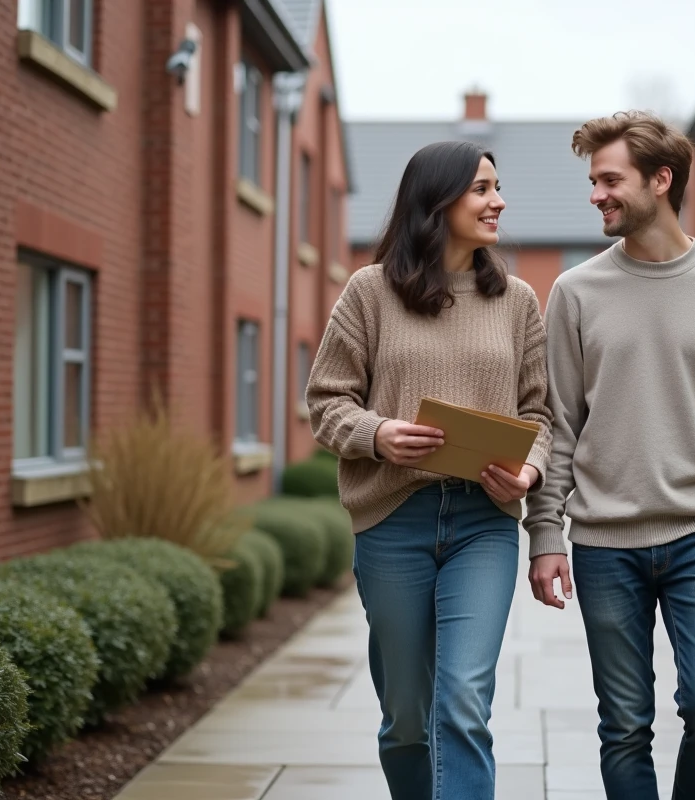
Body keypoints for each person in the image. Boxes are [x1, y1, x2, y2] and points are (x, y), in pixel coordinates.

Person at [523, 111, 695, 800]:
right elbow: (556, 424)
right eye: (593, 181)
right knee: (624, 726)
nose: (595, 194)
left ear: (660, 180)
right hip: (605, 545)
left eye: (610, 179)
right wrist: (545, 533)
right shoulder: (576, 293)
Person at [306, 140, 553, 800]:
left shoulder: (519, 301)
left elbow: (541, 415)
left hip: (483, 524)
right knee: (408, 723)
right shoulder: (370, 292)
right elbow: (326, 402)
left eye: (497, 187)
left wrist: (527, 471)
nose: (498, 201)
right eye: (481, 189)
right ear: (436, 201)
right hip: (392, 523)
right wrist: (379, 435)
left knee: (464, 704)